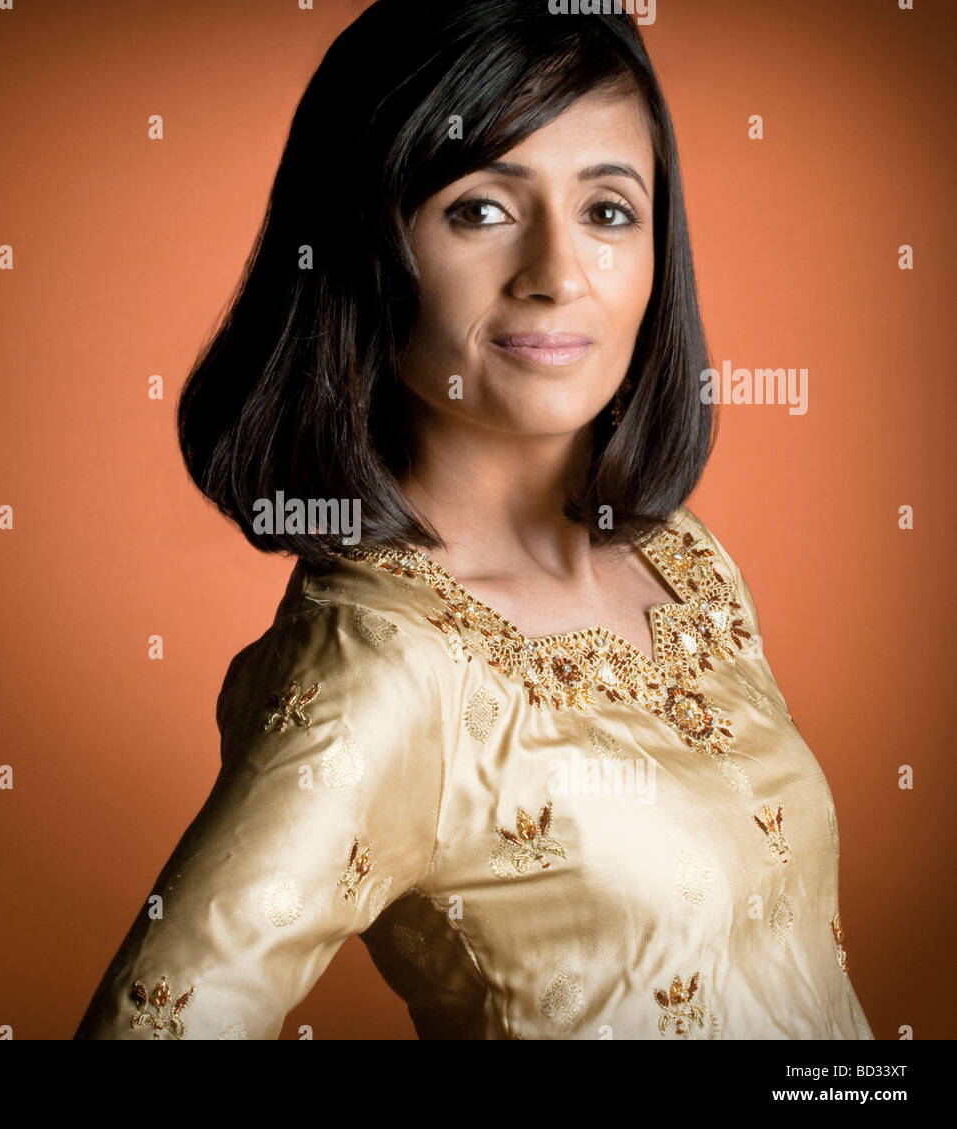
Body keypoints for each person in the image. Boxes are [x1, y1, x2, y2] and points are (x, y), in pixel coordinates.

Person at [73, 0, 873, 1040]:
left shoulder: (683, 561)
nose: (556, 275)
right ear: (364, 241)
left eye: (608, 211)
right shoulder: (380, 667)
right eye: (480, 209)